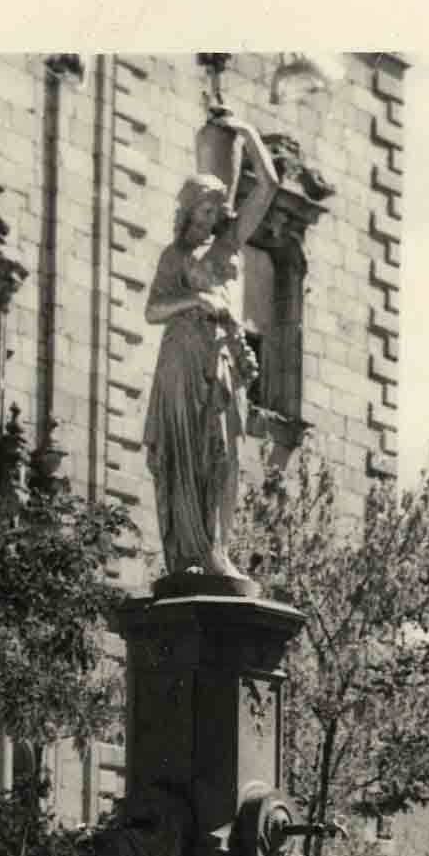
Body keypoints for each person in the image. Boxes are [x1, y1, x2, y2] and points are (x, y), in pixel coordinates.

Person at [141, 112, 279, 580]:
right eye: (207, 210)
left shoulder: (231, 245)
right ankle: (186, 552)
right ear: (189, 210)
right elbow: (152, 311)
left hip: (221, 357)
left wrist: (250, 136)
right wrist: (194, 299)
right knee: (184, 454)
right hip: (181, 357)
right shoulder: (174, 257)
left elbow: (269, 188)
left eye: (219, 210)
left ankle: (216, 547)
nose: (215, 217)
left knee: (224, 452)